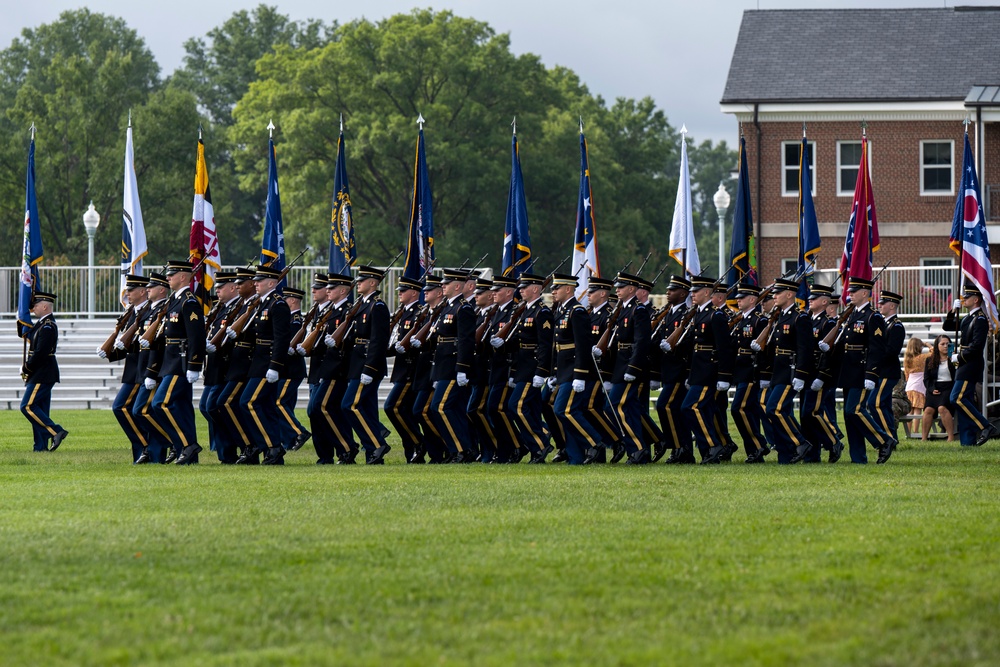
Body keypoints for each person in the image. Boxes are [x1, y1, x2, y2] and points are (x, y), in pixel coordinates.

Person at [822, 276, 894, 464]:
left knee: (854, 409)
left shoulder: (873, 316)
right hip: (848, 370)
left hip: (863, 371)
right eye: (849, 291)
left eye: (853, 292)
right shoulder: (851, 314)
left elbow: (877, 348)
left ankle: (884, 441)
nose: (849, 294)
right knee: (848, 413)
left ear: (864, 293)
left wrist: (871, 374)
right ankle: (858, 457)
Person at [664, 276, 733, 464]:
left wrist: (724, 376)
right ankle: (708, 452)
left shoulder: (715, 315)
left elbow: (724, 348)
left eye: (696, 291)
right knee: (704, 409)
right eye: (692, 291)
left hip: (709, 372)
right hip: (697, 371)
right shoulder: (698, 314)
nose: (692, 294)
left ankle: (713, 445)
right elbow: (692, 344)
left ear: (706, 293)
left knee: (690, 407)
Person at [143, 260, 205, 465]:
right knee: (183, 408)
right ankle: (187, 454)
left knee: (161, 403)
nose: (168, 278)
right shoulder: (174, 300)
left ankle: (187, 445)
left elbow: (196, 336)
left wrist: (195, 365)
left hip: (181, 363)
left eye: (172, 274)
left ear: (183, 277)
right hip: (169, 361)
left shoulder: (189, 301)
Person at [753, 278, 814, 464]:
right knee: (780, 411)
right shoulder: (780, 316)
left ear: (789, 294)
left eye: (778, 293)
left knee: (774, 409)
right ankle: (785, 455)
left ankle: (801, 443)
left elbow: (805, 348)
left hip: (791, 371)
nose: (774, 296)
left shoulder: (800, 317)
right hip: (778, 371)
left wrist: (801, 374)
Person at [496, 273, 554, 463]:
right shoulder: (525, 311)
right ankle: (540, 441)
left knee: (516, 406)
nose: (520, 290)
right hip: (522, 367)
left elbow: (546, 345)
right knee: (532, 409)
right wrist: (502, 345)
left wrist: (542, 372)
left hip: (533, 368)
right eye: (520, 287)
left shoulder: (542, 312)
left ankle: (540, 445)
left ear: (536, 289)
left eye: (524, 287)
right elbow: (518, 342)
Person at [341, 265, 392, 464]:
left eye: (361, 280)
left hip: (368, 365)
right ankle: (373, 453)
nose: (358, 283)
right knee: (367, 408)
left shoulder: (377, 306)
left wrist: (370, 368)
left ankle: (376, 444)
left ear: (373, 283)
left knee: (349, 405)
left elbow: (379, 340)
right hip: (357, 364)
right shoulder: (361, 305)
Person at [550, 273, 602, 464]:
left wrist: (580, 374)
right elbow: (557, 345)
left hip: (574, 370)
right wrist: (553, 372)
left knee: (564, 410)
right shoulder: (561, 311)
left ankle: (595, 442)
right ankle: (575, 457)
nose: (553, 291)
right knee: (564, 412)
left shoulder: (577, 311)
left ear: (568, 289)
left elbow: (583, 345)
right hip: (563, 370)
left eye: (557, 288)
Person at [429, 268, 477, 462]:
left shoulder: (463, 308)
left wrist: (462, 368)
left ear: (457, 286)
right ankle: (463, 449)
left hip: (453, 366)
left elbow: (466, 341)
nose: (443, 286)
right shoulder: (447, 307)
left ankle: (460, 449)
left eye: (446, 284)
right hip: (442, 366)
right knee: (452, 409)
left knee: (440, 407)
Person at [99, 274, 149, 462]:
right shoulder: (132, 313)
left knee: (124, 407)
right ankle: (142, 450)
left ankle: (147, 446)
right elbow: (126, 345)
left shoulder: (149, 311)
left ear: (142, 291)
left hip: (142, 369)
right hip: (132, 370)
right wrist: (110, 352)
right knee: (124, 408)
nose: (127, 293)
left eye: (131, 290)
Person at [949, 286, 999, 446]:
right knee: (965, 400)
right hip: (964, 364)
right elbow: (948, 327)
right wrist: (952, 312)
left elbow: (977, 346)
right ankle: (967, 441)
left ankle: (985, 426)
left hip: (971, 364)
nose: (964, 299)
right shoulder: (968, 318)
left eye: (967, 297)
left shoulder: (981, 319)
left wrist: (960, 356)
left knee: (957, 398)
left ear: (976, 299)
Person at [653, 276, 695, 464]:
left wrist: (676, 346)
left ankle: (678, 447)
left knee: (665, 405)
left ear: (683, 293)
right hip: (668, 371)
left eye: (672, 290)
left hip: (680, 371)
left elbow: (691, 341)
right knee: (675, 410)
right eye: (668, 289)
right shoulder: (668, 313)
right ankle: (682, 450)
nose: (668, 292)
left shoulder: (687, 314)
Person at [19, 290, 67, 452]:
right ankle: (40, 447)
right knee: (40, 409)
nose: (33, 309)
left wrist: (27, 367)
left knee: (27, 406)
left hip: (42, 372)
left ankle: (56, 431)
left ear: (45, 306)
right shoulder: (41, 324)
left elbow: (40, 352)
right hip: (40, 372)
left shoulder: (48, 326)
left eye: (36, 306)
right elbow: (30, 336)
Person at [483, 275, 524, 463]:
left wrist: (514, 371)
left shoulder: (513, 312)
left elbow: (519, 341)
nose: (493, 293)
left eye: (497, 290)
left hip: (506, 368)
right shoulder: (497, 311)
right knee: (493, 410)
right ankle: (507, 449)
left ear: (509, 292)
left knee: (496, 408)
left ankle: (515, 446)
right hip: (494, 367)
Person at [132, 273, 171, 464]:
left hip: (155, 369)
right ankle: (156, 448)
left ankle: (174, 441)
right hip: (144, 367)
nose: (147, 289)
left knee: (142, 410)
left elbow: (159, 344)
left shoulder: (163, 309)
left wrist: (152, 372)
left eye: (151, 287)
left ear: (162, 290)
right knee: (141, 410)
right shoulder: (150, 310)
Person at [728, 281, 770, 463]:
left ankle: (759, 445)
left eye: (742, 298)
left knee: (739, 408)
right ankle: (754, 451)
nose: (738, 301)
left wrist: (763, 374)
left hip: (751, 372)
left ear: (752, 299)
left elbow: (765, 350)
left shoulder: (759, 320)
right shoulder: (741, 319)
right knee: (749, 411)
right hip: (740, 370)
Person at [386, 275, 426, 463]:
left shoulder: (420, 312)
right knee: (402, 410)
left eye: (403, 291)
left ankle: (419, 442)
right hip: (402, 369)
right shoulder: (402, 313)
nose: (400, 294)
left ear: (414, 293)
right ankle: (411, 449)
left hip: (412, 370)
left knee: (392, 407)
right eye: (399, 291)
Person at [202, 271, 241, 463]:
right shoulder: (221, 309)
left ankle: (233, 449)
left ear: (233, 288)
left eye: (221, 287)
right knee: (206, 406)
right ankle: (225, 451)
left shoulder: (239, 308)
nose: (217, 290)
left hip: (228, 365)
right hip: (215, 366)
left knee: (215, 406)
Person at [277, 286, 309, 453]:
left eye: (286, 298)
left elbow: (294, 343)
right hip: (287, 369)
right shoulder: (289, 319)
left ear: (293, 300)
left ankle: (299, 432)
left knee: (278, 402)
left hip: (291, 370)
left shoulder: (295, 320)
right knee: (286, 404)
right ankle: (288, 440)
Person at [922, 335, 956, 442]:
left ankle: (950, 436)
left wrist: (953, 359)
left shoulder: (955, 359)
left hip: (949, 388)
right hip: (934, 388)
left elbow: (957, 376)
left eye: (948, 344)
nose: (945, 346)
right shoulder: (930, 360)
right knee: (928, 410)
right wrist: (931, 389)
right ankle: (924, 438)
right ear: (937, 346)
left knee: (942, 408)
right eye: (942, 344)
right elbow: (926, 379)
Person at [903, 337, 930, 420]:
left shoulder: (907, 359)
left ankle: (909, 432)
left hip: (909, 386)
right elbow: (934, 352)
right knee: (917, 411)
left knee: (909, 411)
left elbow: (906, 375)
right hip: (919, 386)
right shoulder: (922, 357)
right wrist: (926, 344)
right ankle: (915, 431)